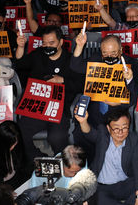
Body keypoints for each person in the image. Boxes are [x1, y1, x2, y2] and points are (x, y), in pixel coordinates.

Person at [14, 25, 85, 159]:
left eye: (51, 43)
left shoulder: (71, 59)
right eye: (44, 43)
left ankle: (63, 165)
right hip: (36, 106)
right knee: (19, 133)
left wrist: (62, 80)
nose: (47, 46)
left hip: (59, 108)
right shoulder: (37, 55)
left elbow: (80, 84)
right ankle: (39, 159)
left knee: (56, 138)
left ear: (61, 42)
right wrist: (21, 47)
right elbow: (20, 63)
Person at [70, 33, 138, 161]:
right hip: (95, 109)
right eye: (105, 53)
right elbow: (76, 66)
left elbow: (135, 96)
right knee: (80, 134)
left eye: (113, 53)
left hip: (117, 112)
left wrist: (129, 80)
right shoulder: (96, 59)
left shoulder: (133, 63)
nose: (109, 57)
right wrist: (79, 46)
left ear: (121, 51)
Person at [74, 106, 138, 205]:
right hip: (101, 187)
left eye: (124, 128)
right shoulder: (102, 136)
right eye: (116, 129)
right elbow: (89, 133)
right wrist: (83, 122)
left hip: (123, 184)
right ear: (108, 128)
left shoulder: (133, 140)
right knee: (94, 198)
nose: (120, 133)